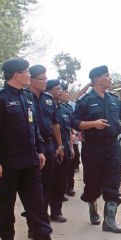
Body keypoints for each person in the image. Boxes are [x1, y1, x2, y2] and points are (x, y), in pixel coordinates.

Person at [0, 58, 64, 240]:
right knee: (6, 205)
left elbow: (33, 126)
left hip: (30, 161)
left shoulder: (27, 97)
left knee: (36, 204)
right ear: (16, 75)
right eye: (27, 72)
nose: (29, 75)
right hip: (8, 163)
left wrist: (39, 150)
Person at [71, 65, 121, 233]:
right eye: (107, 75)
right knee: (92, 184)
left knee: (113, 181)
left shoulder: (114, 99)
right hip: (92, 148)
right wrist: (93, 124)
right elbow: (74, 122)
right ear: (97, 79)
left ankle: (109, 221)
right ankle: (92, 205)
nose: (110, 78)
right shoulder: (85, 101)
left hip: (113, 146)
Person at [29, 65, 65, 222]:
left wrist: (60, 145)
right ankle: (34, 221)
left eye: (45, 78)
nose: (45, 81)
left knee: (48, 183)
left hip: (49, 145)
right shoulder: (24, 97)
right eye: (41, 78)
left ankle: (43, 217)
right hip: (31, 146)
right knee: (32, 187)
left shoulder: (48, 100)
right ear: (31, 80)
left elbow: (55, 124)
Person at [46, 79, 73, 222]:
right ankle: (42, 214)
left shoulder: (64, 108)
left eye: (61, 89)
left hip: (65, 151)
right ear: (49, 90)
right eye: (57, 89)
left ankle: (56, 212)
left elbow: (67, 128)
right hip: (50, 151)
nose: (61, 91)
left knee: (61, 183)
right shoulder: (44, 107)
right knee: (48, 184)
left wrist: (70, 147)